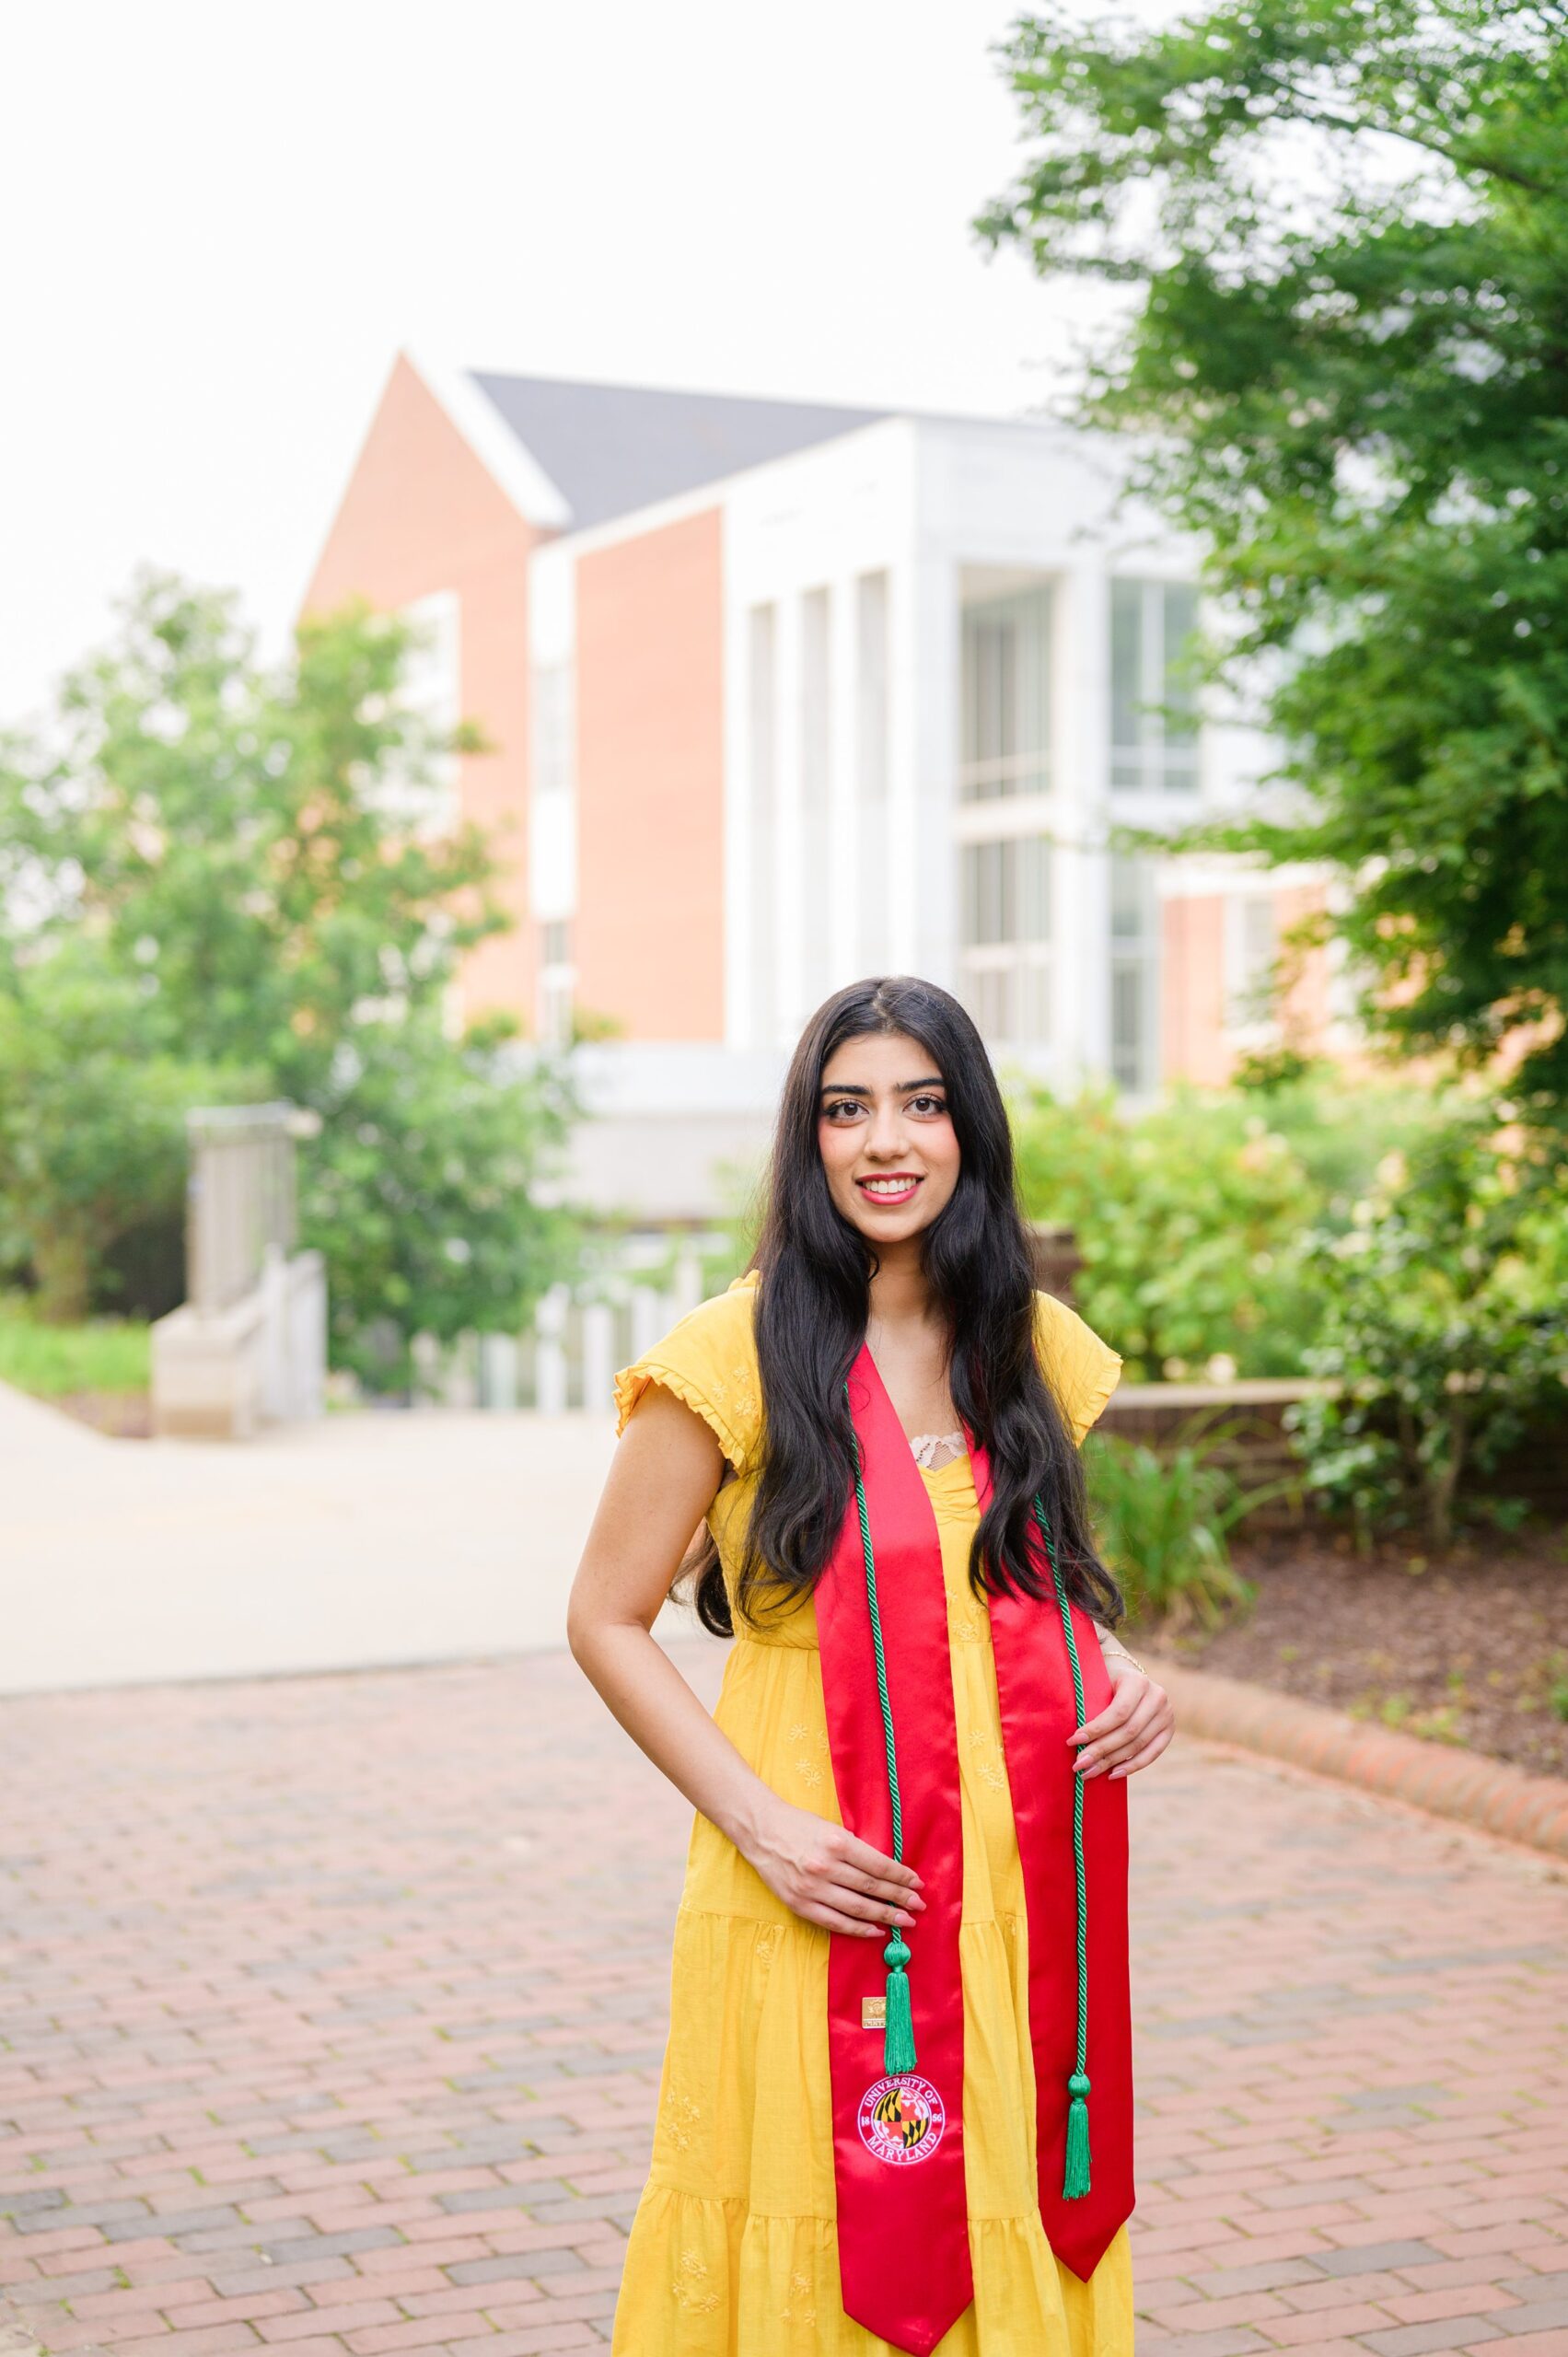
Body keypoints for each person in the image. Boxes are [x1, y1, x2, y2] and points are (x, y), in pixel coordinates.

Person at [568, 976, 1175, 2357]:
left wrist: (1124, 1674)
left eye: (923, 1102)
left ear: (971, 1133)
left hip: (1014, 1877)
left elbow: (1030, 1590)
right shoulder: (731, 1356)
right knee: (818, 2198)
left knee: (1001, 2192)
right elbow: (604, 1617)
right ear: (809, 1138)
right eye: (848, 1109)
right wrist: (761, 1825)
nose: (885, 1140)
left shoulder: (1023, 1350)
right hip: (821, 1868)